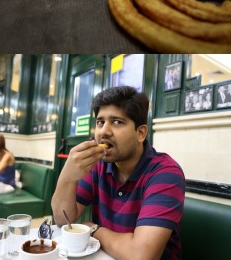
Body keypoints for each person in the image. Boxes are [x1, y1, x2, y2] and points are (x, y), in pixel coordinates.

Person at [51, 86, 186, 260]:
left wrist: (93, 229)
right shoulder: (98, 165)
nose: (104, 131)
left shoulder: (166, 173)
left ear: (140, 133)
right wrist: (67, 176)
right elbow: (64, 220)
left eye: (117, 122)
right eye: (100, 122)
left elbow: (141, 255)